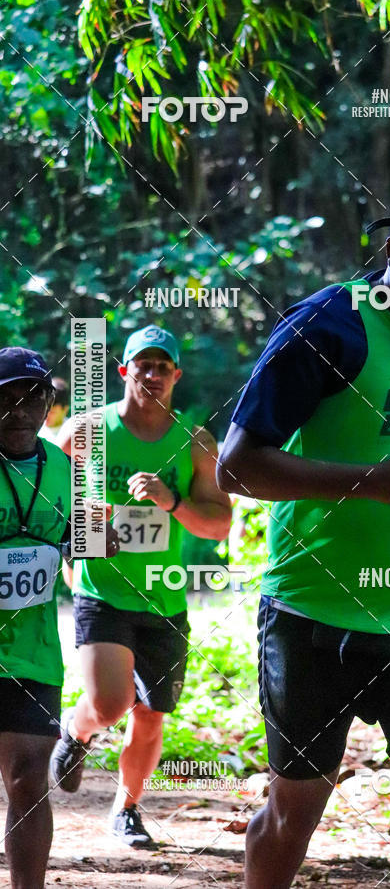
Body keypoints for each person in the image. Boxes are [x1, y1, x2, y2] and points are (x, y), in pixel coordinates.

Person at [217, 182, 390, 889]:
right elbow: (237, 467)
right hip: (317, 621)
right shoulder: (328, 329)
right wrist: (371, 480)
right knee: (294, 816)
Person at [50, 325, 232, 847]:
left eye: (162, 367)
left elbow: (219, 524)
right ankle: (77, 730)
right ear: (124, 370)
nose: (151, 375)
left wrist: (170, 501)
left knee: (151, 715)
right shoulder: (88, 429)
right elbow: (44, 488)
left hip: (164, 597)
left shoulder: (194, 442)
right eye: (142, 365)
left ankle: (126, 809)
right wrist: (78, 528)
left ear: (177, 375)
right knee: (110, 705)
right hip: (102, 591)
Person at [0, 347, 118, 889]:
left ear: (48, 403)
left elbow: (82, 544)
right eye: (6, 397)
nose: (19, 409)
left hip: (35, 653)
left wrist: (99, 542)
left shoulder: (65, 471)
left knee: (27, 782)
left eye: (32, 397)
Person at [38, 376, 69, 444]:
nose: (46, 415)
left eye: (52, 412)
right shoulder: (35, 430)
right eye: (45, 411)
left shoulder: (72, 431)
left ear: (65, 409)